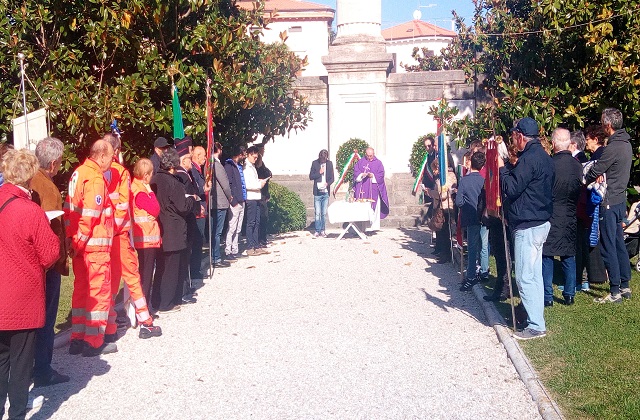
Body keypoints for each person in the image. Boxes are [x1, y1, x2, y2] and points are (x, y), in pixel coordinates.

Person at [0, 149, 59, 419]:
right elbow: (49, 254)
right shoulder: (30, 210)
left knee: (1, 362)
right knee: (21, 364)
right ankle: (17, 414)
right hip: (22, 296)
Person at [498, 117, 554, 340]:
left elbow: (511, 188)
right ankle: (535, 317)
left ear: (520, 136)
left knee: (524, 276)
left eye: (514, 136)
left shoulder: (529, 158)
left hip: (528, 224)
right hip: (540, 221)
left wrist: (502, 169)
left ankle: (535, 324)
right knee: (534, 275)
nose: (513, 140)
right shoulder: (544, 157)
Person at [103, 134, 161, 340]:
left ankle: (106, 325)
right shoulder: (121, 174)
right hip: (121, 236)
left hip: (103, 236)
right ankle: (144, 320)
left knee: (107, 282)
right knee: (133, 279)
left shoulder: (88, 172)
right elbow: (124, 207)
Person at [65, 139, 118, 356]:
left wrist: (72, 240)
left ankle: (77, 337)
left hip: (80, 246)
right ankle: (94, 340)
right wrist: (79, 240)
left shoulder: (78, 173)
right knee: (98, 292)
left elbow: (70, 210)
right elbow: (90, 215)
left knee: (81, 291)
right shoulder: (95, 178)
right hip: (94, 247)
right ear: (102, 156)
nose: (112, 161)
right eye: (111, 156)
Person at [30, 137, 70, 387]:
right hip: (47, 263)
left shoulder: (34, 179)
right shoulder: (45, 186)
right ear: (54, 162)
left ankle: (36, 365)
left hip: (38, 262)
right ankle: (43, 368)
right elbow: (46, 227)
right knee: (45, 318)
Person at [585, 108, 633, 303]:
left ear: (608, 125)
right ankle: (625, 284)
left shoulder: (612, 147)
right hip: (620, 199)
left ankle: (614, 290)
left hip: (609, 201)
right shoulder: (626, 144)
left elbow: (597, 168)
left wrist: (588, 175)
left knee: (608, 245)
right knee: (619, 242)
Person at [150, 148, 196, 313]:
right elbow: (183, 207)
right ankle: (167, 302)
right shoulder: (174, 182)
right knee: (172, 268)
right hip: (174, 229)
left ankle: (156, 300)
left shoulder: (154, 179)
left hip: (159, 226)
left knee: (161, 267)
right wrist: (191, 201)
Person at [542, 128, 583, 306]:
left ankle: (547, 295)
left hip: (552, 212)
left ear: (553, 144)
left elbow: (545, 191)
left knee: (547, 255)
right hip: (570, 212)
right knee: (568, 254)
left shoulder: (550, 164)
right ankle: (569, 293)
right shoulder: (577, 165)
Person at [575, 125, 608, 290]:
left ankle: (592, 276)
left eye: (588, 139)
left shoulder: (599, 156)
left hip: (595, 202)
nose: (586, 143)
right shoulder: (599, 154)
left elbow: (591, 177)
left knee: (591, 238)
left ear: (596, 139)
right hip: (596, 201)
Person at [131, 158, 162, 308]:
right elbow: (155, 209)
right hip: (146, 238)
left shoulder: (134, 187)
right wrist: (150, 192)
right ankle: (144, 307)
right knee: (146, 275)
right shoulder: (141, 191)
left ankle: (141, 306)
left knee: (143, 273)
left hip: (142, 237)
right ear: (146, 175)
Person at [173, 145, 202, 303]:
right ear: (184, 161)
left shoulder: (187, 174)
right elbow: (187, 196)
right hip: (186, 217)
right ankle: (183, 289)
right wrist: (195, 199)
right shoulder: (182, 175)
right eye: (189, 159)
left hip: (190, 216)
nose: (192, 161)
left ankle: (186, 286)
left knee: (188, 252)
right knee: (184, 255)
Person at [456, 151, 486, 291]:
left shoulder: (465, 181)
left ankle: (471, 276)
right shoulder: (483, 180)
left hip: (471, 216)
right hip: (483, 217)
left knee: (473, 247)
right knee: (483, 246)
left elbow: (459, 201)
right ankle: (483, 270)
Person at [426, 159, 456, 263]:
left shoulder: (448, 176)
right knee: (441, 232)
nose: (434, 171)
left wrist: (430, 192)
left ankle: (446, 254)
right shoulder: (440, 177)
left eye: (435, 168)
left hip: (446, 207)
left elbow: (442, 194)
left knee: (445, 232)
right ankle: (442, 252)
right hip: (439, 206)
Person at [353, 147, 389, 231]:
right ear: (366, 154)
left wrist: (373, 176)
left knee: (373, 206)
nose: (369, 157)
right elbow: (355, 172)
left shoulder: (378, 163)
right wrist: (361, 174)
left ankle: (373, 227)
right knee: (362, 207)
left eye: (371, 155)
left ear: (374, 154)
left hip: (373, 189)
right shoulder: (361, 161)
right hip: (363, 188)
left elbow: (381, 175)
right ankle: (362, 228)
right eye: (368, 156)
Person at [210, 142, 233, 267]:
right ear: (218, 149)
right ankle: (216, 258)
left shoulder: (209, 165)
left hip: (214, 202)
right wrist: (230, 196)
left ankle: (215, 256)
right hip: (220, 202)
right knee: (217, 232)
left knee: (215, 231)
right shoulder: (217, 165)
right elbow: (225, 184)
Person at [243, 146, 268, 256]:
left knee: (257, 222)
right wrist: (259, 184)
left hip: (257, 197)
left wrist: (259, 181)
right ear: (248, 154)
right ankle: (250, 246)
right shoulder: (246, 167)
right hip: (251, 197)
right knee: (251, 223)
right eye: (254, 157)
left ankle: (256, 245)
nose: (256, 159)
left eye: (257, 157)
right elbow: (247, 184)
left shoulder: (252, 166)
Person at [224, 146, 247, 260]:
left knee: (238, 227)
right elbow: (229, 184)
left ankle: (235, 249)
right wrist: (232, 201)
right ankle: (228, 250)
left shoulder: (239, 166)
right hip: (235, 201)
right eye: (243, 153)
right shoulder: (229, 166)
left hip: (241, 199)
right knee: (232, 227)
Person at [189, 145, 208, 280]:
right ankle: (194, 270)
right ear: (197, 155)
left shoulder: (198, 169)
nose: (206, 158)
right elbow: (196, 189)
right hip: (197, 210)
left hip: (201, 208)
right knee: (197, 240)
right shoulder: (194, 170)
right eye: (204, 155)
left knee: (199, 241)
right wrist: (204, 187)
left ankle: (196, 268)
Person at [309, 149, 334, 238]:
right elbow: (311, 176)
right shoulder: (315, 163)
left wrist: (327, 184)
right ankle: (317, 230)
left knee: (323, 213)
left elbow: (332, 178)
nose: (323, 161)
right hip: (317, 192)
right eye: (322, 159)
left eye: (325, 159)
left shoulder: (330, 164)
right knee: (317, 213)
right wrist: (319, 173)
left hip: (325, 193)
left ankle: (323, 230)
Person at [256, 146, 272, 247]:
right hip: (259, 194)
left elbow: (268, 172)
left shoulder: (262, 166)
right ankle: (260, 239)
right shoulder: (257, 167)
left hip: (264, 194)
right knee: (261, 218)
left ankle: (263, 238)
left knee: (264, 217)